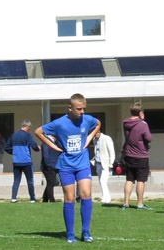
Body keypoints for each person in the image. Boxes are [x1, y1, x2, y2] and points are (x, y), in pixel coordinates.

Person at [36, 94, 100, 242]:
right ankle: (70, 234)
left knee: (86, 194)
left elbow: (98, 124)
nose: (82, 112)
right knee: (70, 198)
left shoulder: (88, 119)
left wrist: (89, 139)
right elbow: (38, 131)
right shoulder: (59, 123)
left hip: (83, 163)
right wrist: (53, 147)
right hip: (66, 165)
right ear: (70, 108)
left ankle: (86, 232)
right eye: (79, 109)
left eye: (84, 108)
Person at [121, 103, 152, 209]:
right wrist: (143, 120)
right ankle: (139, 204)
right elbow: (148, 138)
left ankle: (126, 203)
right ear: (140, 112)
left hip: (129, 155)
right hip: (141, 155)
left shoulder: (125, 123)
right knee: (140, 180)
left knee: (129, 179)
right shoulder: (143, 124)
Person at [5, 120, 39, 203]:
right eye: (29, 127)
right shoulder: (28, 135)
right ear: (28, 127)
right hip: (26, 161)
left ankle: (13, 198)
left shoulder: (14, 135)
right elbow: (34, 146)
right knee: (30, 181)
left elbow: (6, 147)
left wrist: (13, 152)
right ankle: (32, 199)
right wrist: (38, 148)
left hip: (16, 161)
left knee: (16, 180)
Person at [91, 129, 115, 204]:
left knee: (103, 181)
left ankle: (106, 199)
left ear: (99, 132)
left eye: (95, 134)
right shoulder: (95, 140)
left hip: (105, 164)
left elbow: (111, 152)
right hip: (98, 163)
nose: (95, 136)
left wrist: (111, 164)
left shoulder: (106, 138)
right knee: (101, 182)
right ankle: (105, 197)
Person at [41, 133, 60, 202]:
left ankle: (45, 198)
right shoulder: (47, 142)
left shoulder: (55, 143)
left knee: (51, 182)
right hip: (48, 167)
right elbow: (45, 155)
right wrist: (49, 165)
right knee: (51, 182)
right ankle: (51, 199)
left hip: (53, 165)